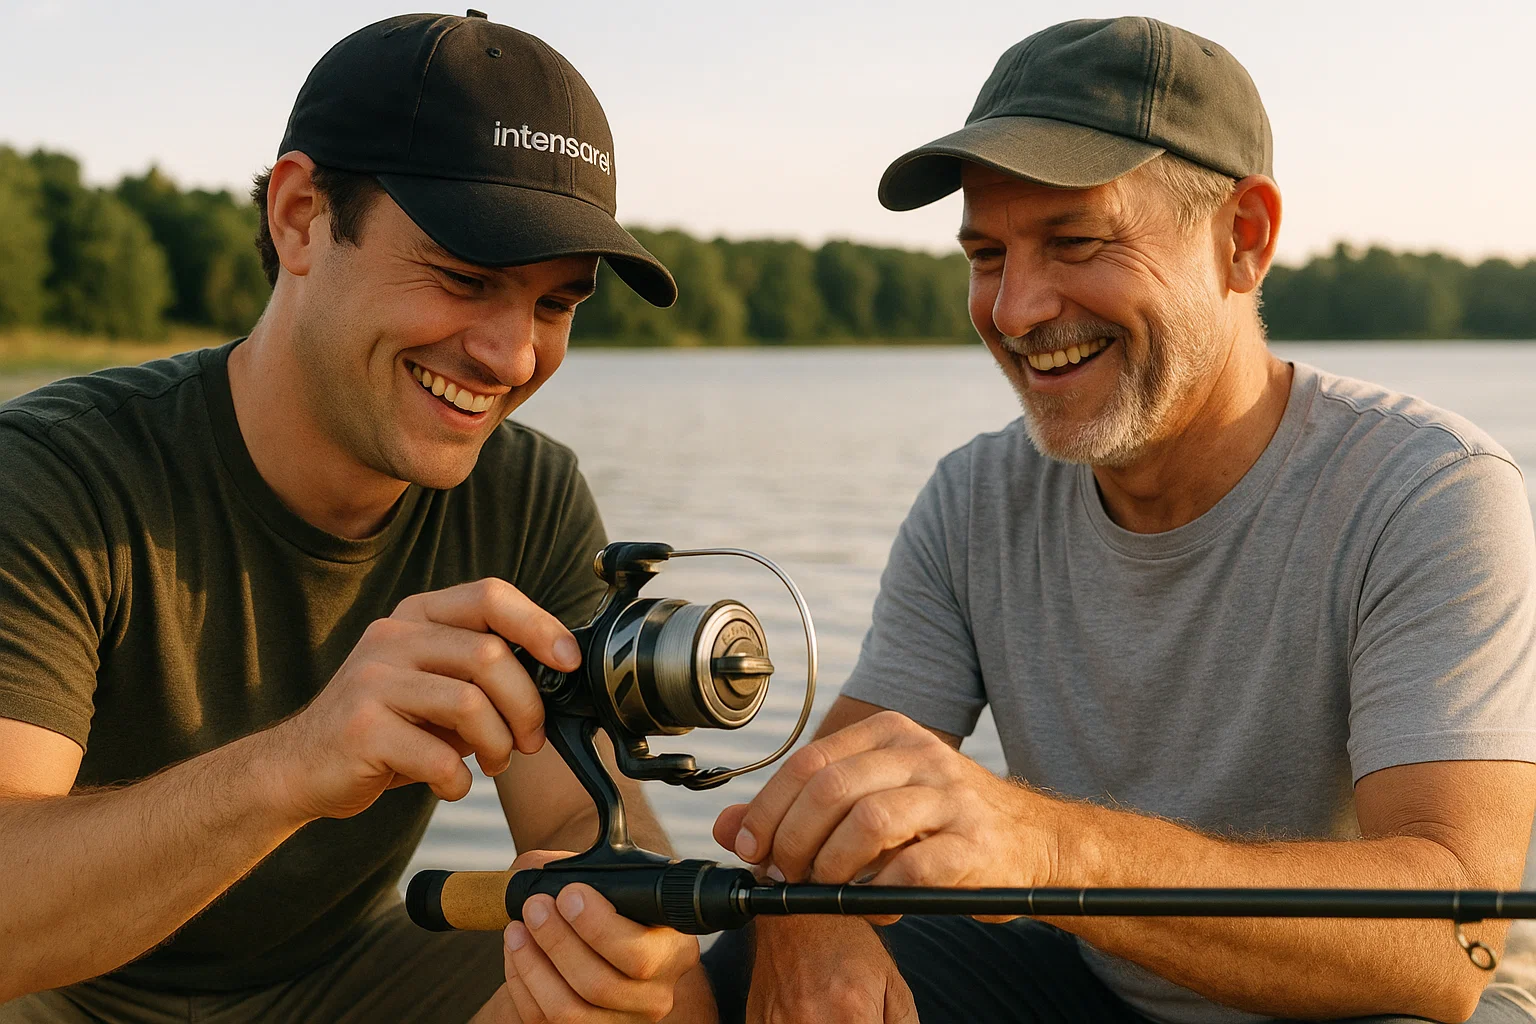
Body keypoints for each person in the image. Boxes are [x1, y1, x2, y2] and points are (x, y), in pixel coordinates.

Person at [702, 16, 1536, 1024]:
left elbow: (1453, 943)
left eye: (1075, 242)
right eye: (985, 254)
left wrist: (1047, 847)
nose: (1013, 309)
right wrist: (812, 917)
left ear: (1246, 238)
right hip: (1087, 982)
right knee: (725, 968)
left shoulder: (1430, 489)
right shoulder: (974, 500)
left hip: (1370, 1006)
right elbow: (825, 793)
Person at [0, 12, 711, 1023]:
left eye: (556, 305)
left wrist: (606, 946)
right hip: (56, 988)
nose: (513, 357)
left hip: (347, 979)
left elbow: (581, 814)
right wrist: (295, 764)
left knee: (670, 1005)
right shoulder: (55, 473)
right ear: (300, 217)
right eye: (466, 277)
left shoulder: (526, 494)